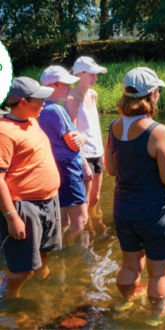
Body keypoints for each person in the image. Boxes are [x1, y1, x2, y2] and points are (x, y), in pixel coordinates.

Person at [105, 67, 165, 324]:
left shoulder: (114, 127)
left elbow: (111, 169)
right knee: (159, 274)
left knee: (129, 265)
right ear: (150, 95)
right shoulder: (158, 131)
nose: (158, 95)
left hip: (124, 209)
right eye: (158, 92)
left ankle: (126, 303)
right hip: (155, 211)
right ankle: (155, 317)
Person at [0, 77, 61, 298]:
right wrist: (11, 217)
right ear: (23, 102)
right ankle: (11, 306)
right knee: (20, 269)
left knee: (43, 255)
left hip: (48, 201)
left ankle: (44, 295)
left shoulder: (32, 120)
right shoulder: (4, 132)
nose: (44, 104)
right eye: (39, 100)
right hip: (24, 207)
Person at [39, 66, 89, 246]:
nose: (69, 89)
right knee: (80, 220)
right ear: (52, 85)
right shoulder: (57, 110)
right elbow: (73, 142)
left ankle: (56, 254)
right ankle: (70, 253)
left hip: (53, 166)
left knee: (62, 219)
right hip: (68, 168)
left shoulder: (38, 107)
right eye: (66, 85)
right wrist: (83, 137)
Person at [66, 56, 107, 231]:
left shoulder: (94, 94)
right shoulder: (71, 98)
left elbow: (94, 128)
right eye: (92, 74)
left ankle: (92, 227)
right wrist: (83, 164)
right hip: (84, 156)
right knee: (85, 200)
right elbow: (73, 134)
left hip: (97, 152)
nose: (96, 78)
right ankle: (85, 233)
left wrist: (103, 154)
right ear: (80, 74)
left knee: (95, 198)